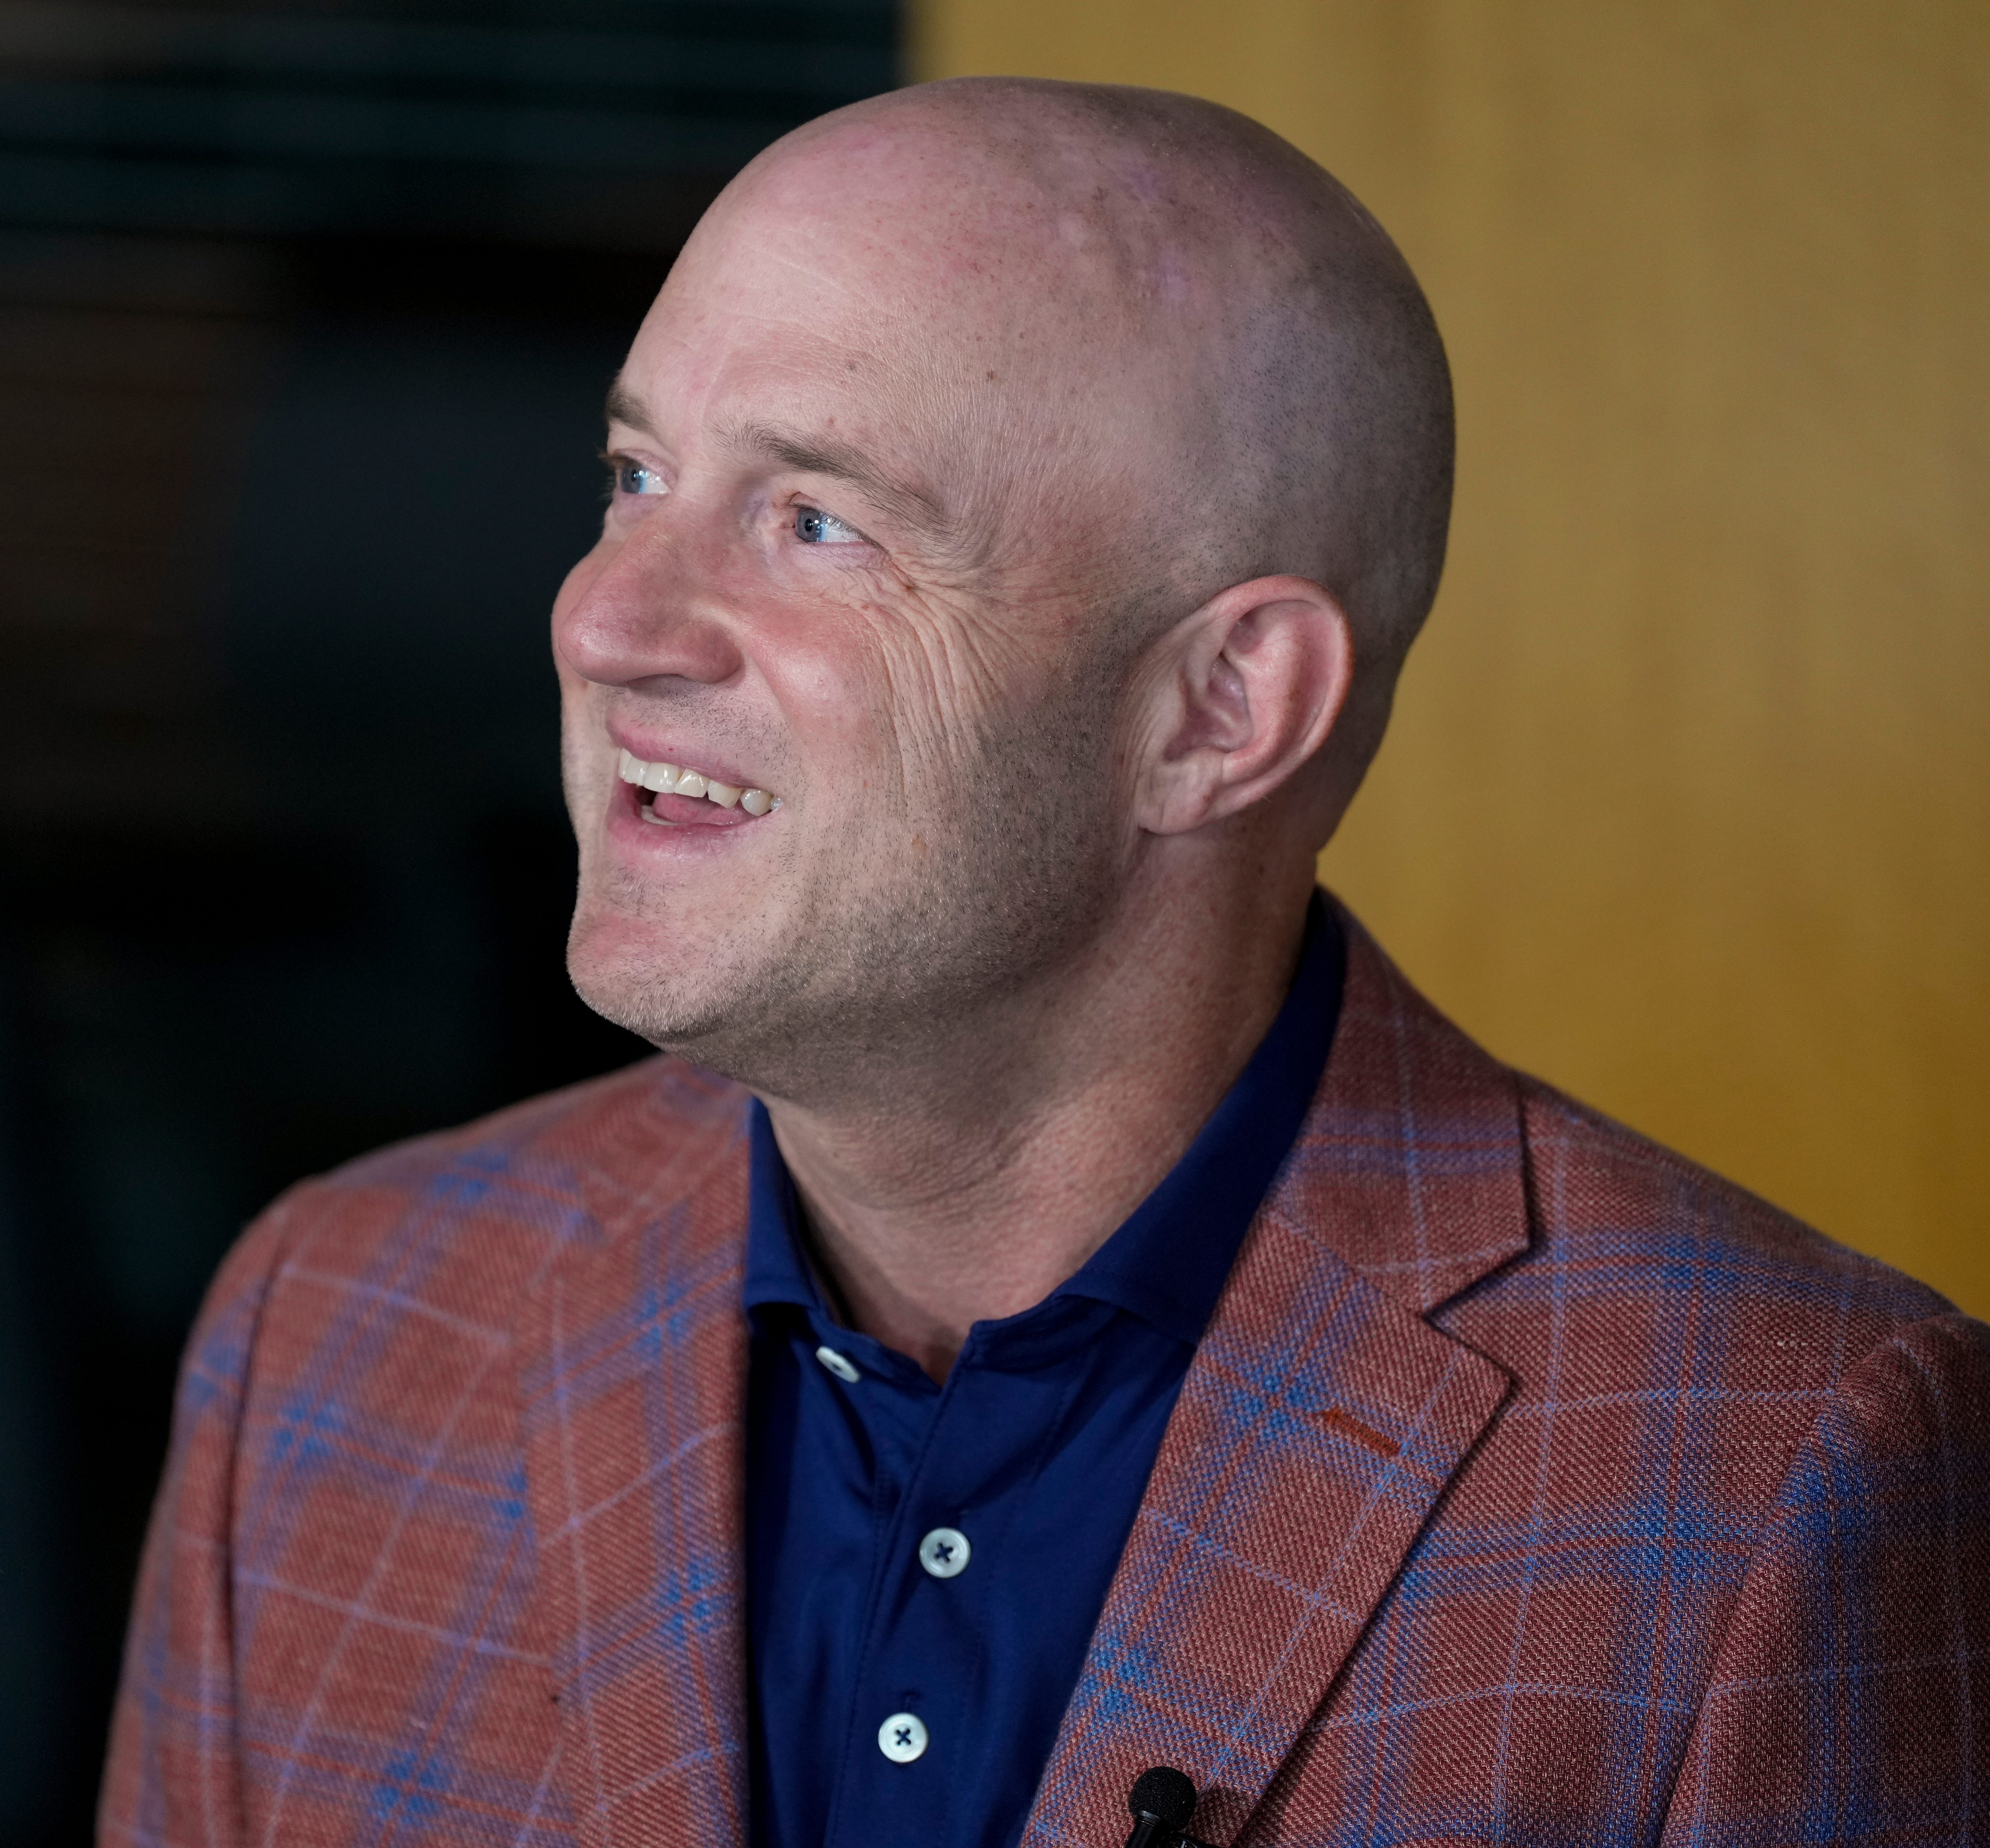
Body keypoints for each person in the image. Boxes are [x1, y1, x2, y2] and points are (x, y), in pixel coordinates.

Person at [99, 78, 1990, 1847]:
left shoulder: (1778, 1477)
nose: (605, 620)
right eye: (635, 474)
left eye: (816, 520)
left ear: (1221, 709)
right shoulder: (335, 1327)